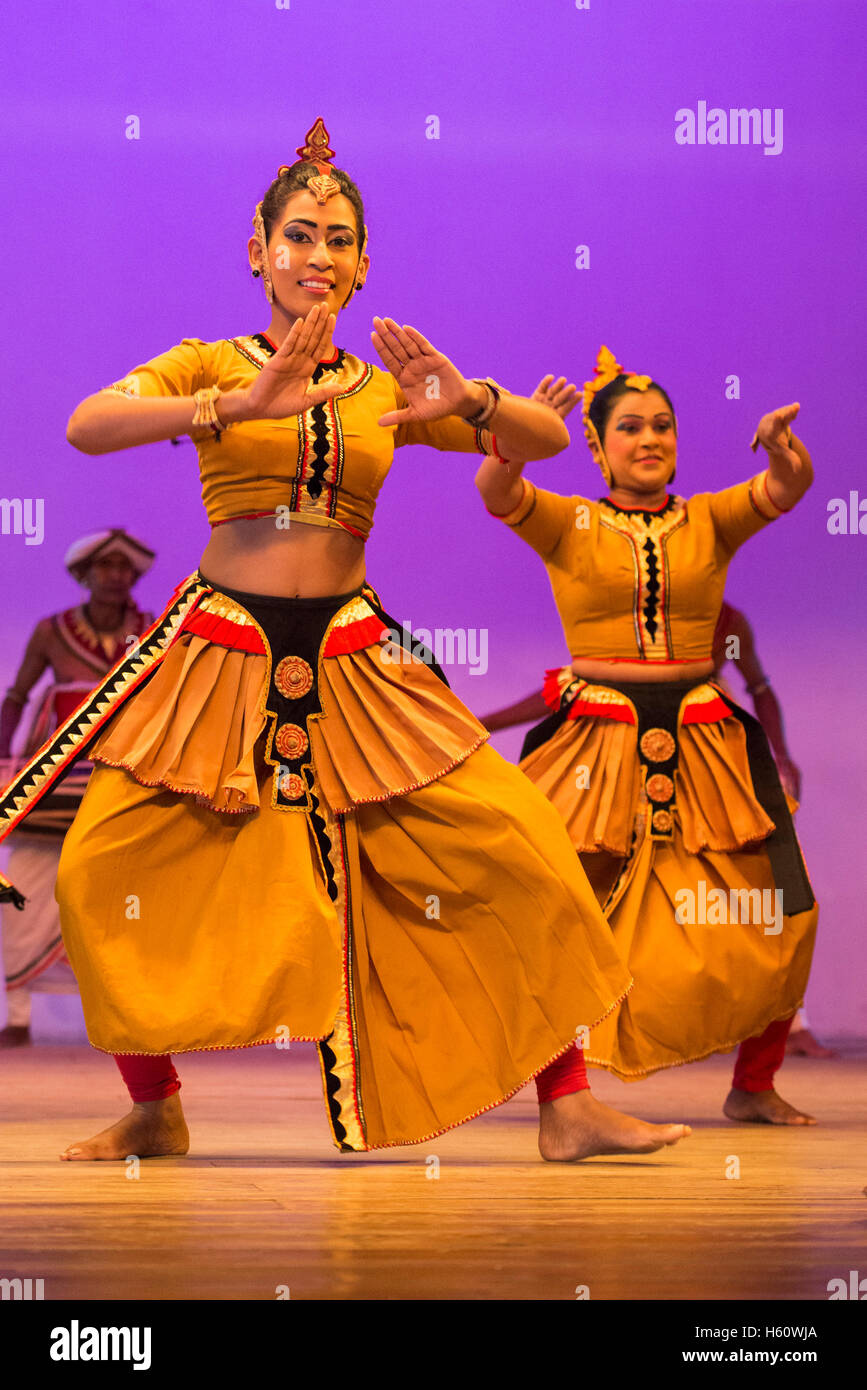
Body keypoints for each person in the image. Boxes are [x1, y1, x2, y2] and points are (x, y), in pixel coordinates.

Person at [0, 122, 690, 1164]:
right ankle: (155, 1103)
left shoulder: (382, 388)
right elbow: (87, 425)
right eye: (299, 234)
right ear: (256, 248)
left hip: (357, 653)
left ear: (365, 263)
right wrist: (234, 404)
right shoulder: (207, 361)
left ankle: (569, 1103)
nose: (318, 255)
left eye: (339, 239)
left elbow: (546, 442)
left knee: (520, 845)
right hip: (219, 647)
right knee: (100, 866)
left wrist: (468, 404)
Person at [476, 347, 819, 1125]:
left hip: (704, 739)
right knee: (560, 906)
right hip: (593, 740)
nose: (649, 438)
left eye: (662, 425)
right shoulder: (570, 520)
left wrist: (780, 450)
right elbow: (495, 489)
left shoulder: (709, 518)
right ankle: (565, 1099)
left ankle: (753, 1085)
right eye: (628, 428)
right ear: (596, 448)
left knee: (779, 907)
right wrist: (518, 437)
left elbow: (786, 488)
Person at [0, 531, 154, 1047]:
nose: (115, 576)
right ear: (84, 575)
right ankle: (18, 1016)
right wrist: (4, 760)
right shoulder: (51, 630)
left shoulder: (153, 630)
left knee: (127, 896)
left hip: (127, 779)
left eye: (123, 568)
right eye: (104, 567)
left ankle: (130, 1014)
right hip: (56, 781)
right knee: (22, 888)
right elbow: (18, 696)